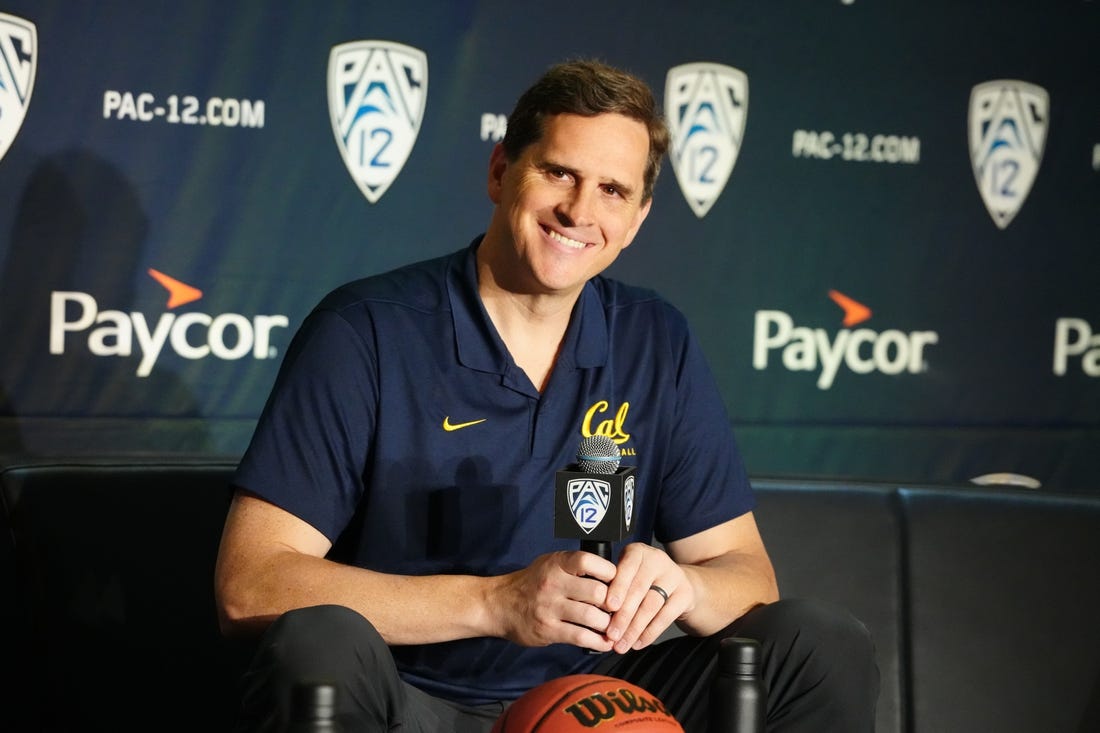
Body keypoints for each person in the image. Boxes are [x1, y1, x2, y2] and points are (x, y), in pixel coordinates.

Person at [215, 59, 878, 732]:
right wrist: (495, 602)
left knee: (816, 643)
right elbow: (251, 585)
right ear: (502, 171)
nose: (579, 210)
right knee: (317, 647)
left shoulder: (655, 340)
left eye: (613, 190)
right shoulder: (367, 331)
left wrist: (688, 587)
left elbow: (747, 576)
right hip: (414, 699)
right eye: (558, 172)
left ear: (638, 218)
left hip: (599, 700)